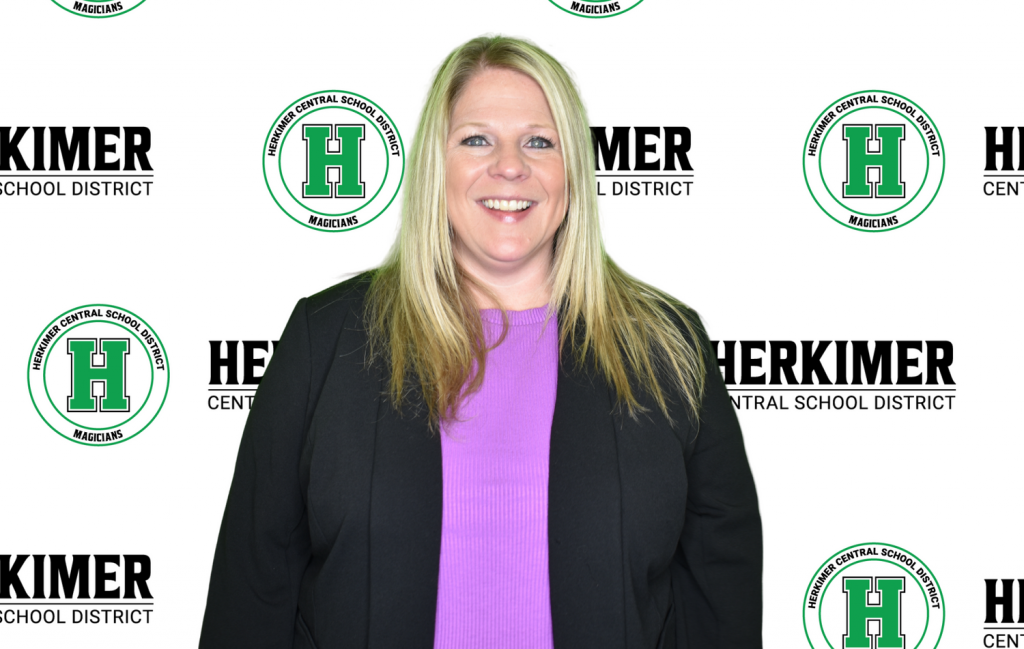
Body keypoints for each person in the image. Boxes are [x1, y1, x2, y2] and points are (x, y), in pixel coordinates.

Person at [199, 36, 761, 649]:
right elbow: (252, 588)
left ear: (571, 170)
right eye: (476, 139)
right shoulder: (326, 338)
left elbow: (719, 599)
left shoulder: (666, 348)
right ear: (436, 169)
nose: (510, 165)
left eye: (538, 141)